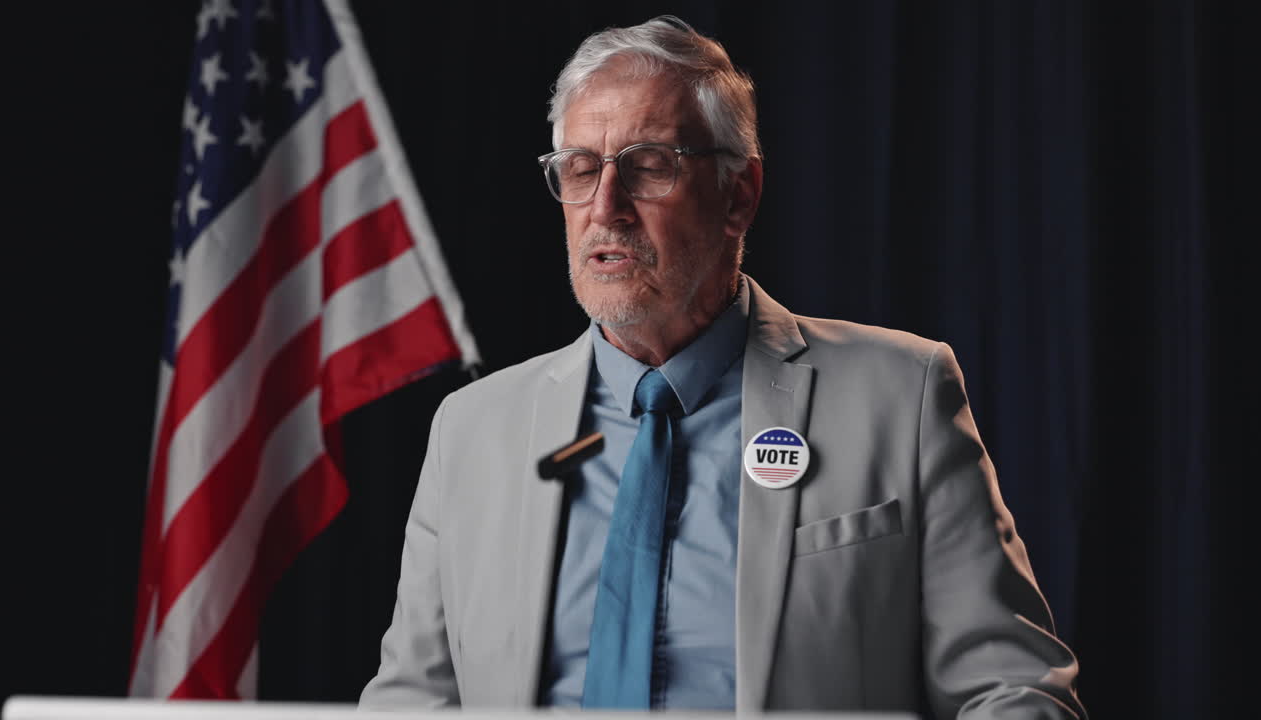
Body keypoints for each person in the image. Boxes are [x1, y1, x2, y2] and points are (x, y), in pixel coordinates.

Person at [360, 16, 1086, 719]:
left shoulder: (901, 395)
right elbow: (412, 701)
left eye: (648, 167)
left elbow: (1015, 691)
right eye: (581, 169)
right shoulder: (473, 428)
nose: (604, 208)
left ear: (738, 195)